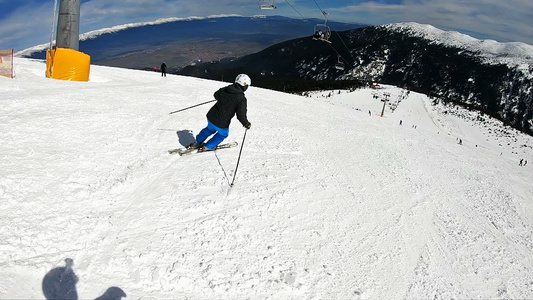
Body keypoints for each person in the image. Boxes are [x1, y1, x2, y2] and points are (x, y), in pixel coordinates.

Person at [189, 74, 252, 151]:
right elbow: (240, 115)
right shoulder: (241, 99)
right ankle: (208, 146)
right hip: (222, 122)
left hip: (211, 116)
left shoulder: (226, 89)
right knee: (223, 134)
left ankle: (197, 142)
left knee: (209, 129)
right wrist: (246, 123)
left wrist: (224, 97)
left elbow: (216, 95)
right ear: (244, 86)